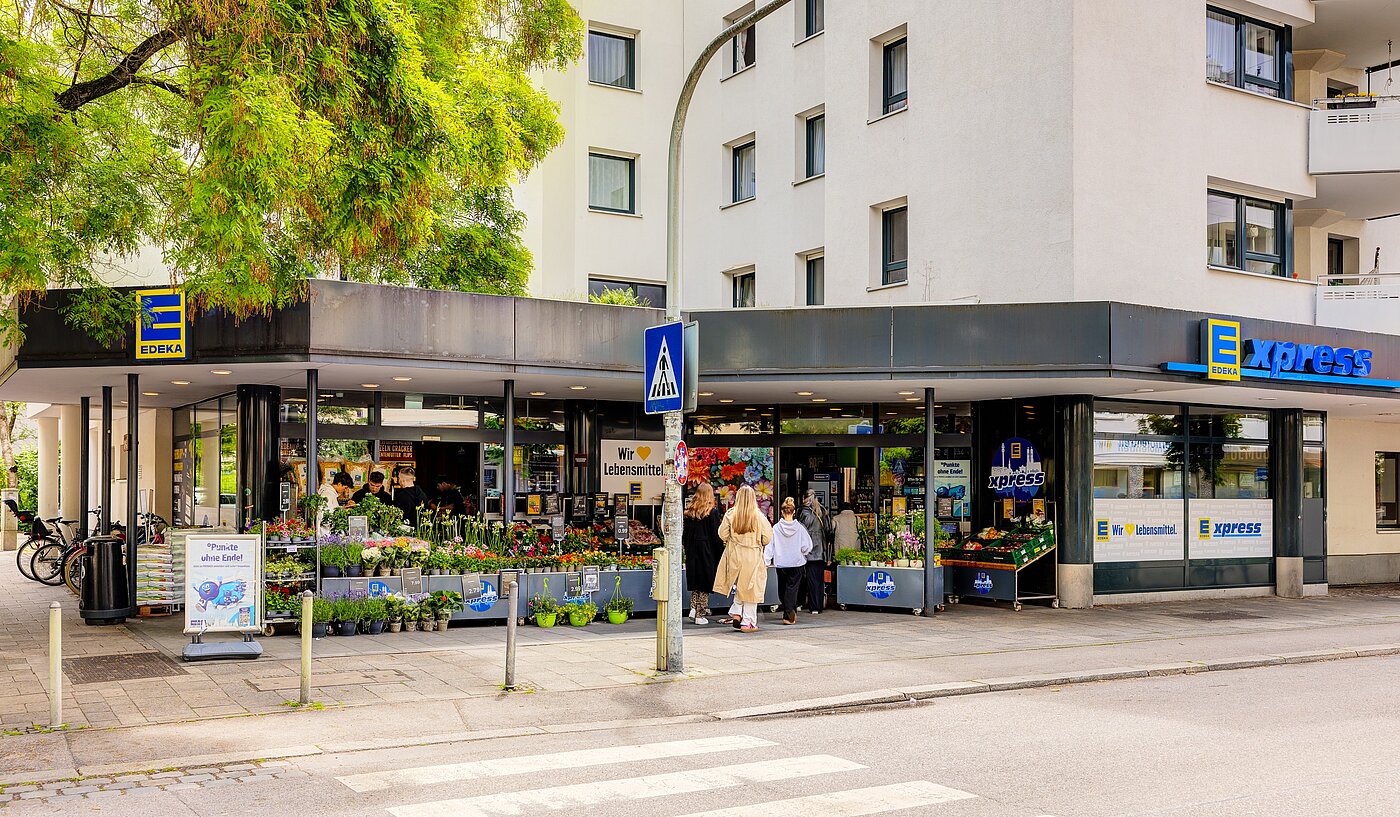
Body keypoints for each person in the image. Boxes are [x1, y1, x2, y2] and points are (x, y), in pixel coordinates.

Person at [713, 485, 773, 633]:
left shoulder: (730, 514)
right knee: (751, 588)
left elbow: (722, 534)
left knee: (740, 585)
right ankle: (748, 621)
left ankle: (737, 611)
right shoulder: (759, 516)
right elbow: (767, 537)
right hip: (752, 555)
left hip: (734, 553)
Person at [682, 483, 724, 625]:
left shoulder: (689, 512)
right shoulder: (711, 512)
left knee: (695, 580)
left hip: (692, 549)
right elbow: (716, 536)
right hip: (707, 550)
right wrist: (720, 553)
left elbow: (685, 535)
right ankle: (700, 613)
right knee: (705, 582)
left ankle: (693, 607)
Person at [768, 497, 813, 625]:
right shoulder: (799, 528)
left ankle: (788, 611)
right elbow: (807, 546)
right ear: (793, 512)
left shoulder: (776, 528)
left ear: (782, 512)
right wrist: (802, 553)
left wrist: (766, 560)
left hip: (781, 562)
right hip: (796, 561)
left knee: (782, 589)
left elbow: (770, 546)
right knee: (792, 588)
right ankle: (789, 611)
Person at [796, 490, 832, 614]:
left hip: (806, 550)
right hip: (820, 550)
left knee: (802, 577)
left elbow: (798, 530)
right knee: (818, 579)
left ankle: (800, 603)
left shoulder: (802, 512)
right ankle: (817, 606)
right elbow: (829, 530)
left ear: (804, 498)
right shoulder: (822, 511)